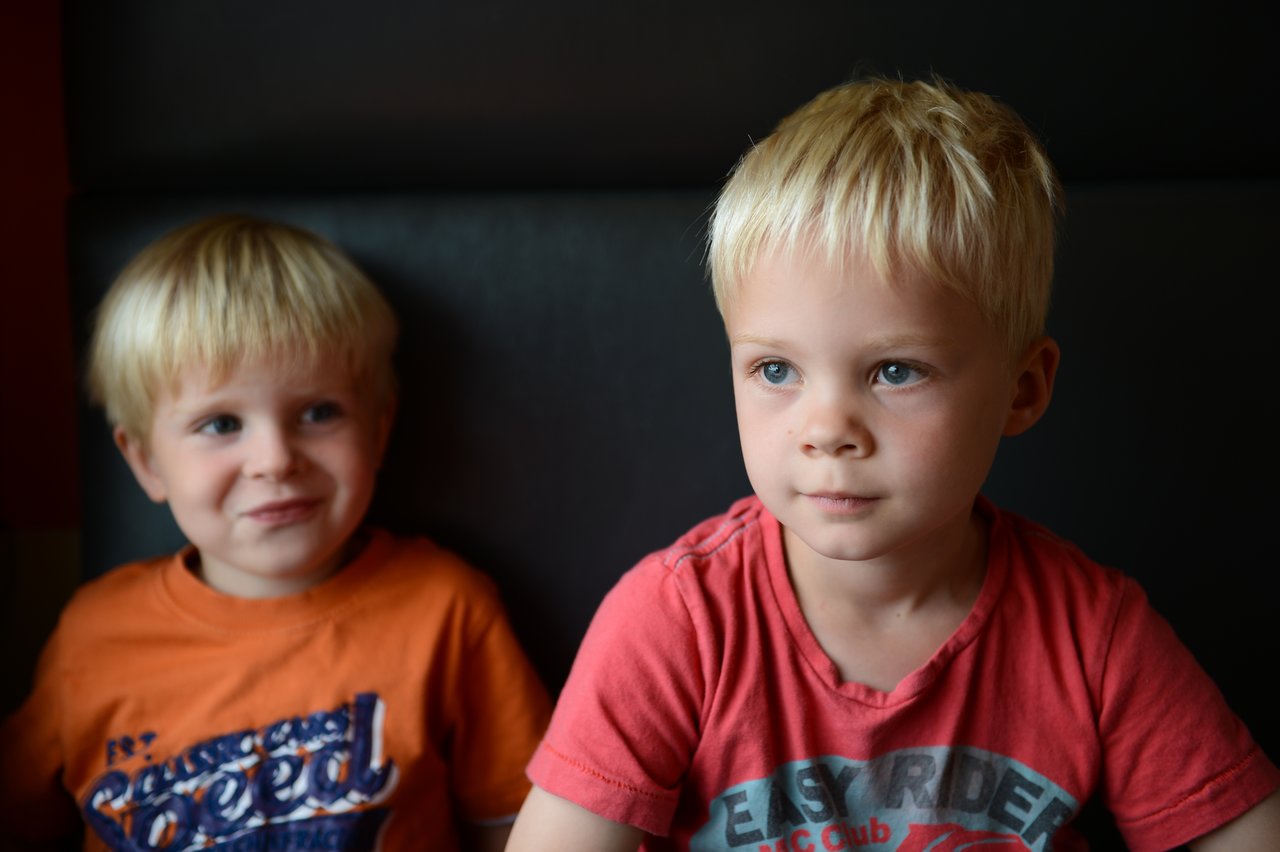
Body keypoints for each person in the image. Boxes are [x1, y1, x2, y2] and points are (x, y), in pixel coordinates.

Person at [507, 78, 1280, 851]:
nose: (827, 431)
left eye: (894, 371)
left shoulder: (1092, 637)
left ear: (1023, 389)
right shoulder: (677, 623)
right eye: (776, 370)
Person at [0, 215, 550, 851]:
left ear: (377, 430)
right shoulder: (92, 637)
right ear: (146, 461)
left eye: (318, 413)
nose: (274, 459)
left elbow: (519, 826)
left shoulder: (448, 610)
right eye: (221, 423)